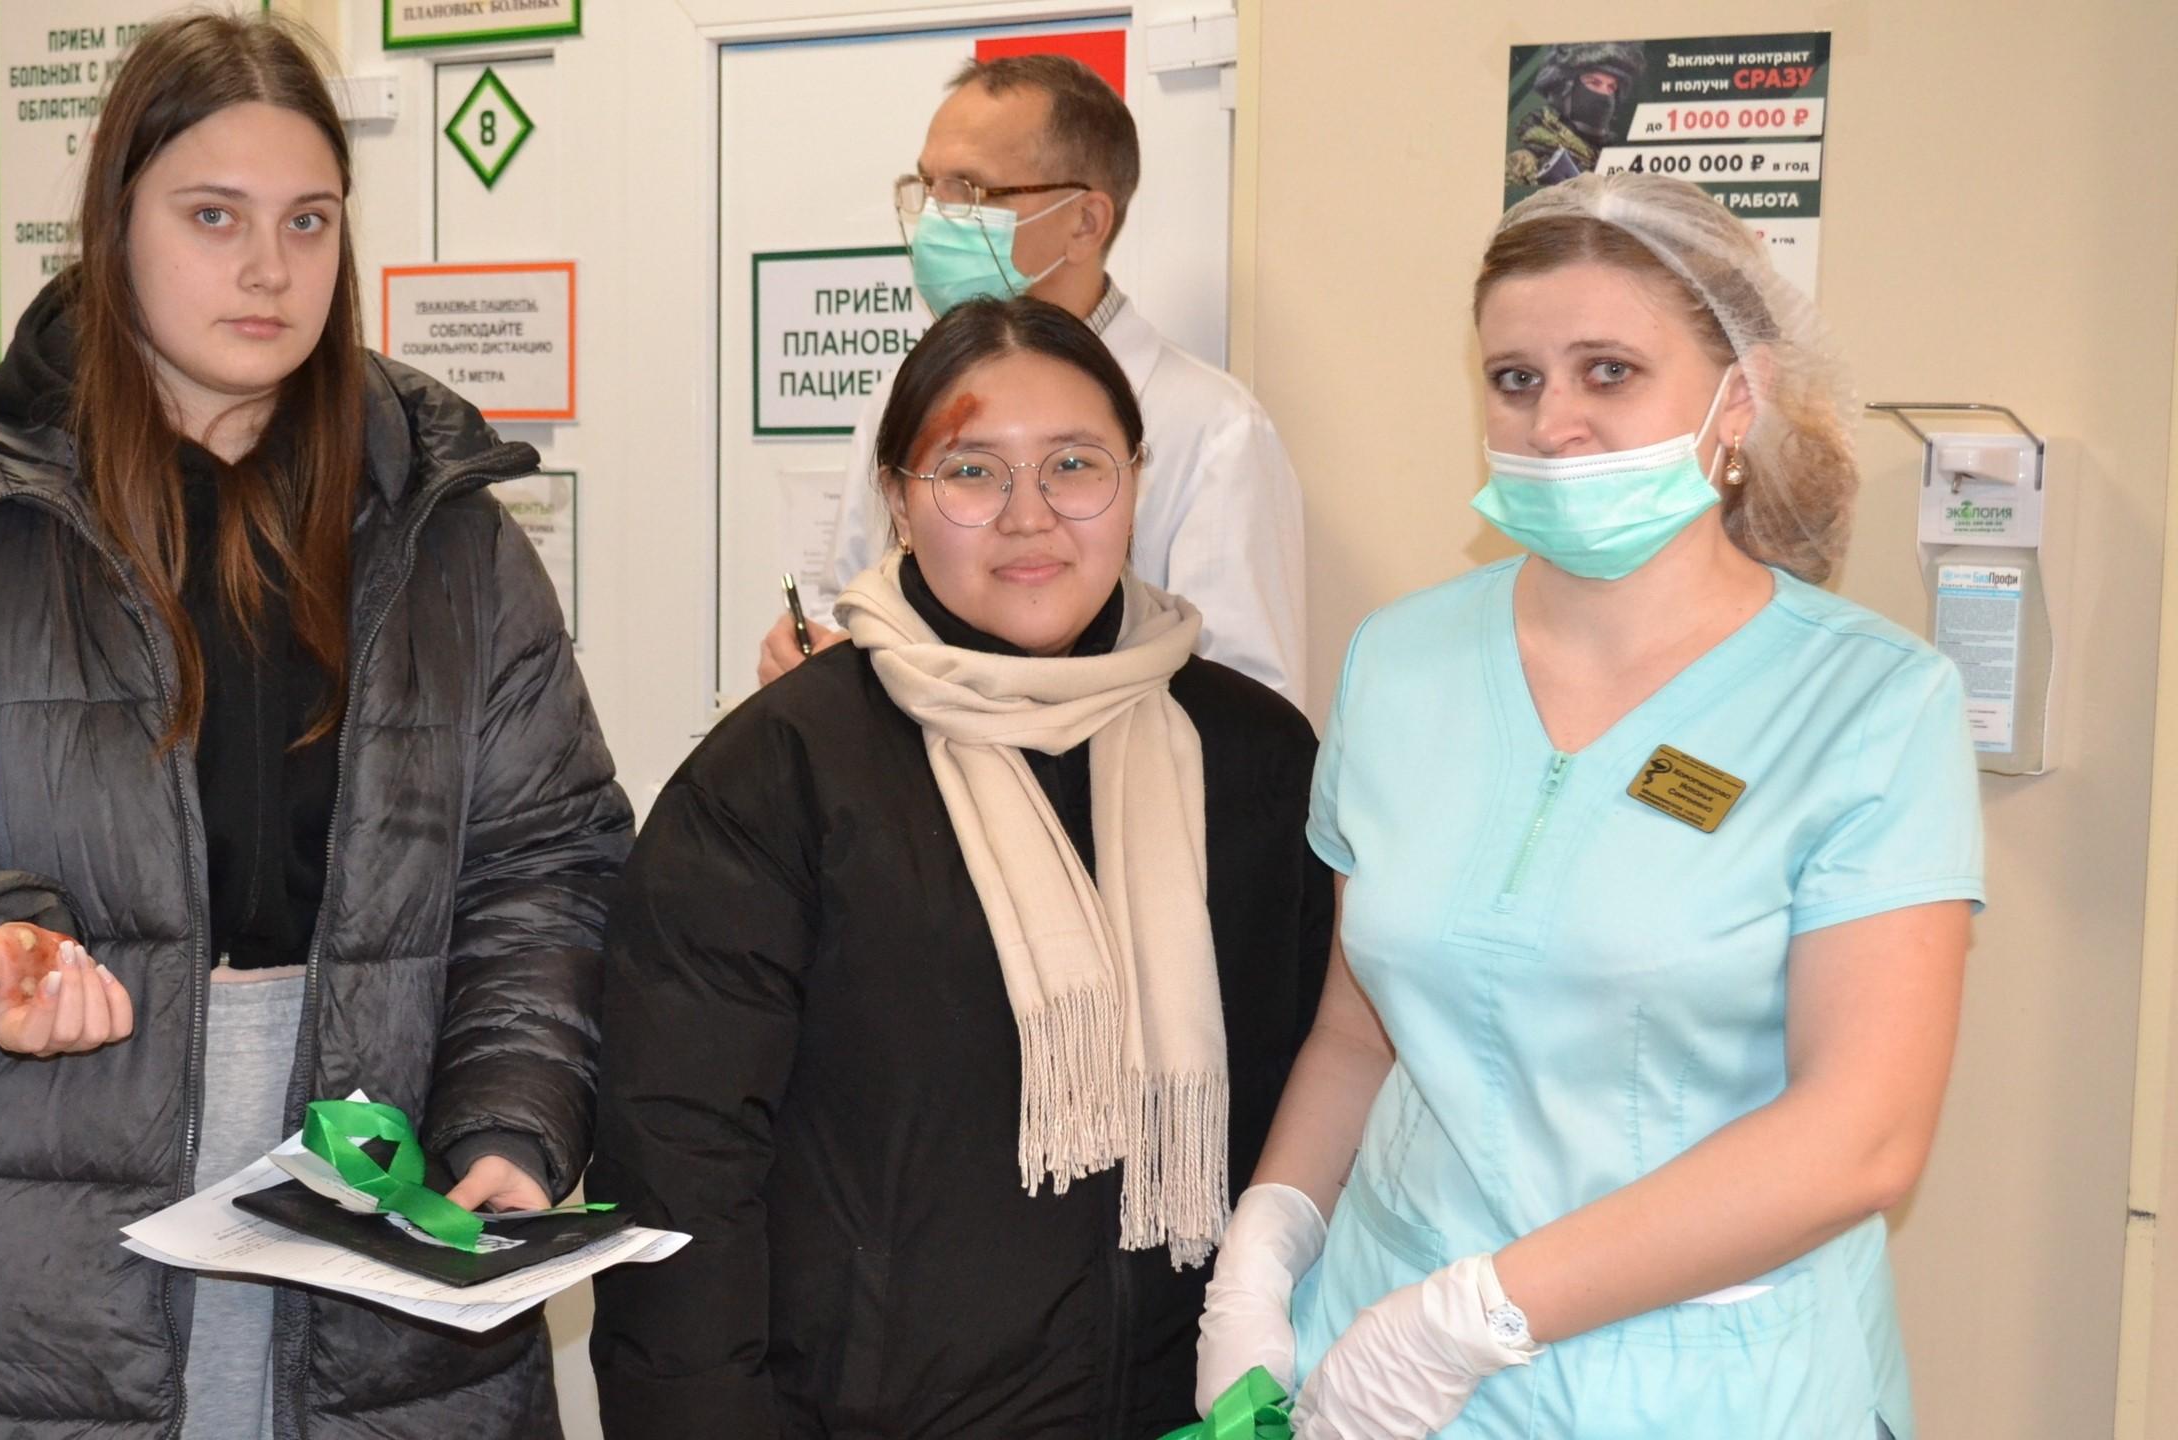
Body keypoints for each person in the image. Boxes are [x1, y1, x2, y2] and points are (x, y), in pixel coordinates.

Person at [0, 14, 630, 1438]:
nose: (269, 268)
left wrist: (515, 1118)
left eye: (308, 221)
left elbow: (548, 871)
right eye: (214, 216)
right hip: (47, 1318)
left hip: (391, 1316)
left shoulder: (449, 539)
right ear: (116, 225)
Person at [1194, 173, 1982, 1440]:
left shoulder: (1869, 704)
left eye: (1608, 371)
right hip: (1385, 1365)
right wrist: (1267, 1245)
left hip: (1694, 1383)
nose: (1553, 422)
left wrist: (1470, 1319)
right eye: (1514, 379)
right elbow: (1358, 1029)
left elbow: (1862, 1136)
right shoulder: (1401, 662)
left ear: (1741, 397)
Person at [592, 296, 1333, 1437]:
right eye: (972, 473)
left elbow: (1315, 1101)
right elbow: (677, 1165)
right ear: (897, 498)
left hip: (1190, 1410)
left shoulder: (1256, 756)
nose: (1030, 518)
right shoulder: (781, 772)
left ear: (1135, 480)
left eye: (1075, 466)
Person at [757, 53, 1310, 705]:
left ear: (1085, 222)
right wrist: (815, 655)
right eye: (929, 186)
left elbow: (1248, 701)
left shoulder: (1214, 430)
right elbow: (852, 598)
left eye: (970, 190)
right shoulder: (900, 397)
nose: (934, 219)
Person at [1503, 42, 1646, 190]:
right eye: (1594, 82)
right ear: (1564, 88)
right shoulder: (1523, 165)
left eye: (1611, 87)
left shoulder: (1614, 165)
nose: (1605, 94)